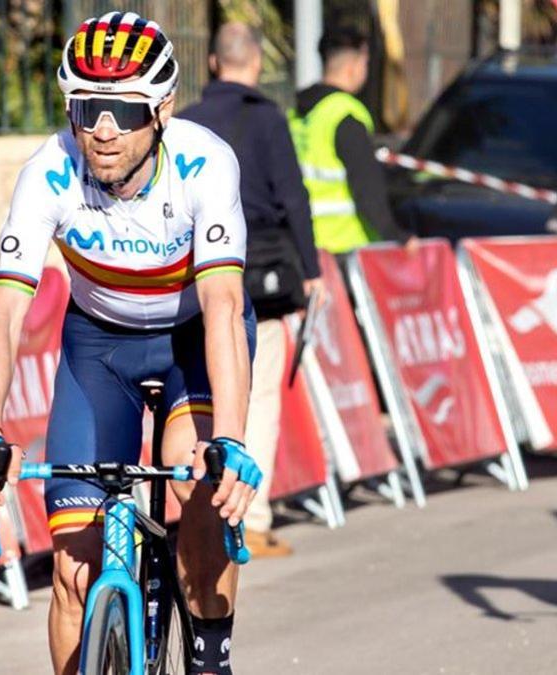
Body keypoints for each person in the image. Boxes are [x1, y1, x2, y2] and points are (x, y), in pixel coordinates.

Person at [0, 13, 262, 675]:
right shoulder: (49, 172)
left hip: (190, 341)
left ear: (162, 110)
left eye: (123, 111)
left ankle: (210, 663)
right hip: (99, 348)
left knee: (197, 496)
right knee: (71, 569)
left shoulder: (205, 164)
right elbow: (3, 310)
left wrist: (231, 440)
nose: (103, 129)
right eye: (88, 108)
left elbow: (223, 305)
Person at [177, 21, 324, 558]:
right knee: (257, 393)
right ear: (257, 64)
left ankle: (194, 511)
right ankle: (248, 518)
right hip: (260, 275)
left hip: (194, 275)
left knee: (199, 396)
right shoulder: (267, 119)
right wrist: (312, 272)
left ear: (214, 63)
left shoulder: (186, 122)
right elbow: (294, 196)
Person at [289, 26, 416, 254]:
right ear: (353, 66)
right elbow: (367, 190)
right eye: (365, 64)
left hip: (302, 246)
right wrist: (397, 236)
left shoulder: (297, 115)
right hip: (342, 247)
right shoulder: (345, 115)